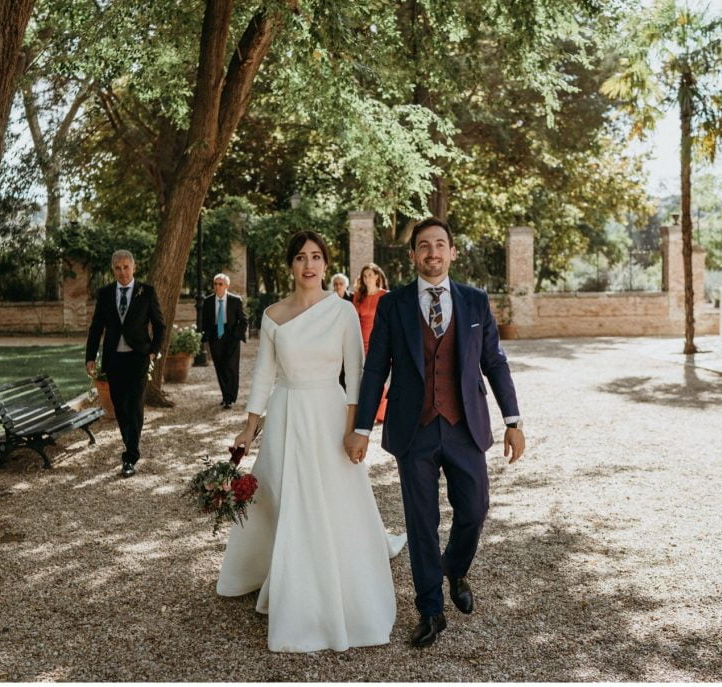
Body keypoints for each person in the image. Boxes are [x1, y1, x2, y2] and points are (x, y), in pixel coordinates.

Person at [216, 230, 405, 653]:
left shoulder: (341, 312)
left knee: (331, 500)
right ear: (291, 264)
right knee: (284, 497)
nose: (309, 265)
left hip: (328, 413)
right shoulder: (271, 315)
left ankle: (331, 586)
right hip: (285, 412)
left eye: (316, 257)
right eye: (300, 257)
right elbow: (264, 375)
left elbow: (356, 375)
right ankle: (287, 578)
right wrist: (249, 427)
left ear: (325, 263)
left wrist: (357, 430)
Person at [344, 217, 525, 648]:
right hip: (414, 428)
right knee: (421, 522)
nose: (432, 253)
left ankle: (455, 567)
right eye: (423, 246)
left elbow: (494, 362)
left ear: (453, 252)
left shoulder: (476, 301)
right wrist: (362, 427)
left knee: (475, 508)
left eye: (440, 245)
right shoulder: (394, 305)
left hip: (466, 426)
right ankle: (430, 609)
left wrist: (513, 421)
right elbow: (375, 370)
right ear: (412, 256)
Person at [85, 250, 165, 477]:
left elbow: (160, 325)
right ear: (113, 270)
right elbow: (96, 328)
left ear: (134, 267)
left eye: (126, 267)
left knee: (135, 404)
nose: (122, 272)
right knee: (120, 406)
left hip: (139, 357)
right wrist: (90, 357)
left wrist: (154, 352)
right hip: (114, 359)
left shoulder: (146, 292)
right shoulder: (105, 293)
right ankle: (129, 444)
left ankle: (130, 455)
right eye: (118, 268)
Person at [200, 273, 248, 409]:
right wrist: (207, 335)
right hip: (216, 336)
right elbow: (205, 321)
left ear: (227, 285)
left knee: (231, 366)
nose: (217, 286)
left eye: (220, 284)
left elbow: (243, 320)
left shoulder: (235, 300)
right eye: (215, 284)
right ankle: (225, 395)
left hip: (231, 335)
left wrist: (237, 335)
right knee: (220, 367)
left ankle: (230, 397)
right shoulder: (208, 301)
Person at [353, 262, 390, 422]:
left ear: (377, 276)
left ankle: (381, 413)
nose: (367, 278)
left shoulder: (385, 296)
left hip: (379, 341)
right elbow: (353, 319)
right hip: (361, 341)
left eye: (370, 275)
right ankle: (367, 412)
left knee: (378, 376)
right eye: (365, 276)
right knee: (364, 378)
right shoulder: (358, 296)